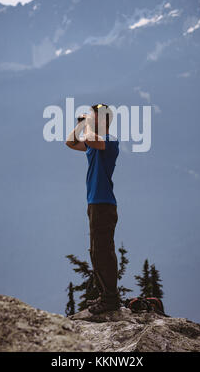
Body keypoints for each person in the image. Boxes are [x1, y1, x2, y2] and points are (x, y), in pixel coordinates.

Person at [66, 103, 120, 314]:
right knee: (96, 251)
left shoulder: (109, 142)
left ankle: (110, 298)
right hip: (94, 203)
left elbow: (91, 139)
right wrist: (81, 124)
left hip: (104, 203)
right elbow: (70, 142)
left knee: (104, 251)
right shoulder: (93, 143)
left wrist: (88, 125)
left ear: (103, 120)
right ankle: (104, 294)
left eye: (94, 116)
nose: (90, 118)